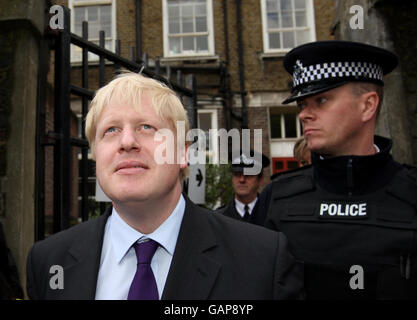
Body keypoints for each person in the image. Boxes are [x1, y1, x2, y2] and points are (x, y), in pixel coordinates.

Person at [26, 72, 303, 300]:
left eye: (146, 126)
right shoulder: (49, 261)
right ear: (96, 155)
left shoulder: (263, 260)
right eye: (110, 130)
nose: (126, 141)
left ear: (182, 153)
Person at [264, 40, 417, 299]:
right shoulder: (275, 198)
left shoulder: (411, 194)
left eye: (321, 100)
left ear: (368, 105)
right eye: (302, 104)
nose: (303, 115)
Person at [216, 151, 270, 226]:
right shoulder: (218, 217)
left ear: (260, 180)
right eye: (237, 175)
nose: (242, 180)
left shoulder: (271, 215)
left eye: (248, 175)